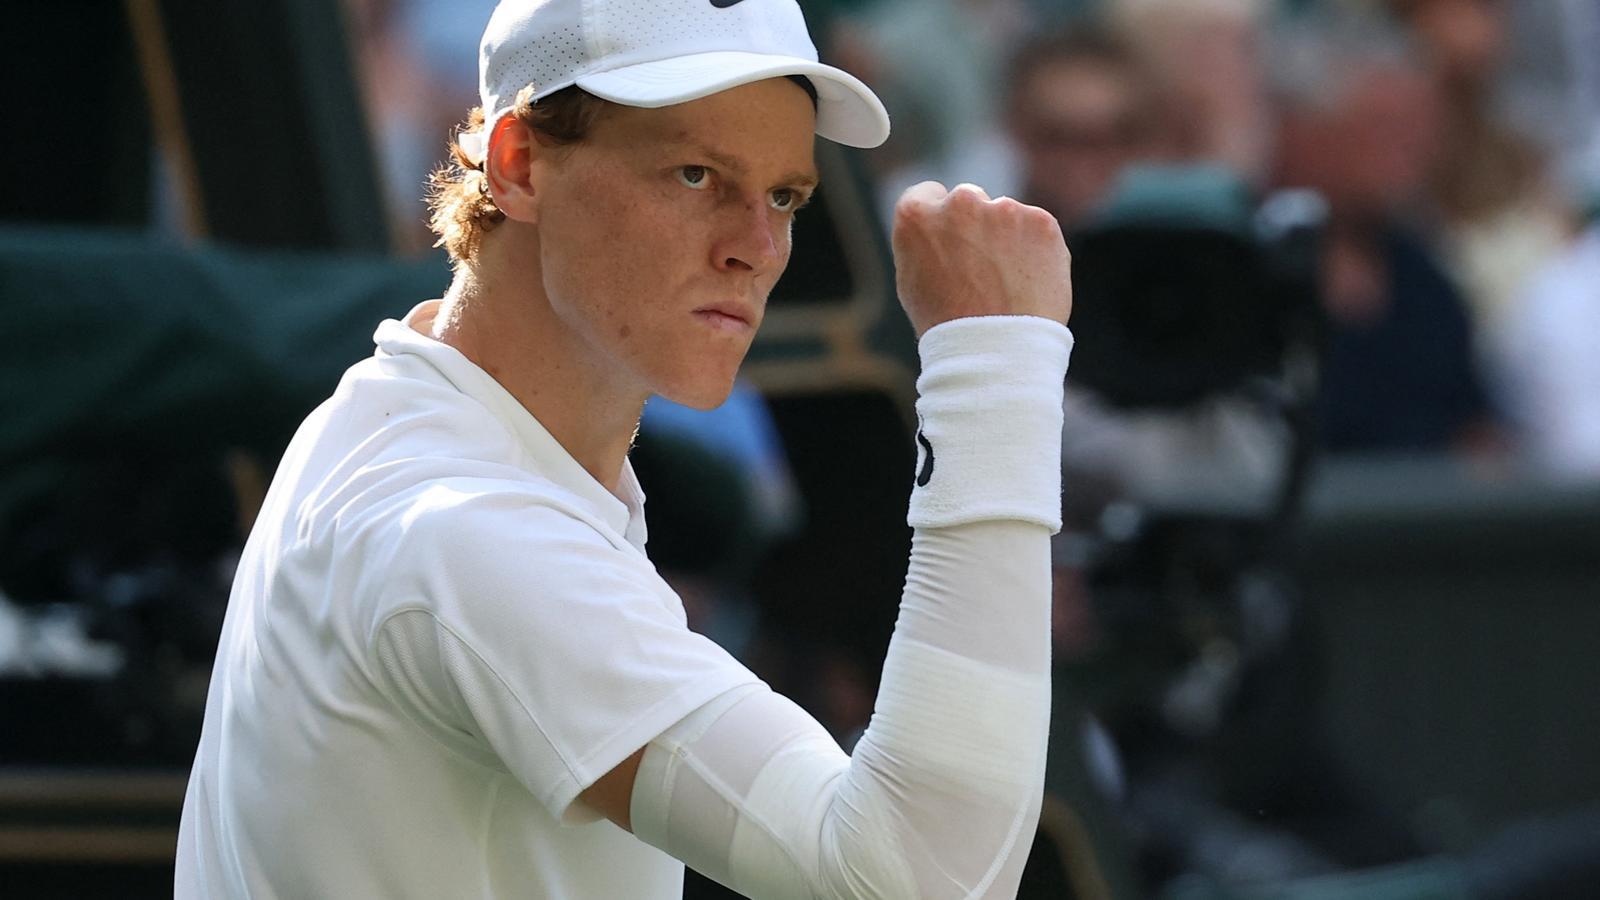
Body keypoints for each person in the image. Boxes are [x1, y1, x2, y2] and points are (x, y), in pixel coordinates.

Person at [175, 0, 1077, 897]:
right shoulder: (473, 529)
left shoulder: (393, 420)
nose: (757, 248)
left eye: (784, 195)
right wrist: (994, 367)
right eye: (694, 175)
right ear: (518, 165)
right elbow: (916, 879)